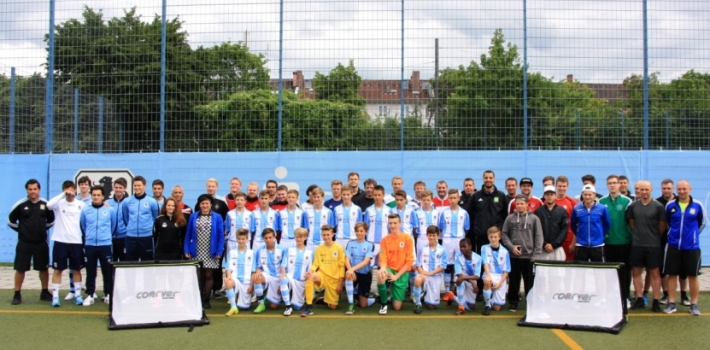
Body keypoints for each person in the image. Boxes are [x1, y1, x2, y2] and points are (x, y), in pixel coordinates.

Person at [8, 179, 55, 305]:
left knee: (43, 268)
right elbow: (10, 221)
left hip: (41, 242)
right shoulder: (20, 204)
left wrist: (41, 229)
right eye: (30, 189)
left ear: (39, 189)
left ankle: (44, 292)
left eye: (35, 189)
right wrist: (22, 230)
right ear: (27, 190)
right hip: (24, 243)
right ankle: (17, 294)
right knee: (20, 269)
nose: (33, 191)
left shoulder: (46, 204)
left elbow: (51, 221)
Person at [663, 180, 705, 316]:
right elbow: (668, 223)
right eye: (679, 189)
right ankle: (671, 303)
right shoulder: (670, 205)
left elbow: (702, 223)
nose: (681, 191)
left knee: (693, 275)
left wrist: (692, 236)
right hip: (673, 245)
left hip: (692, 247)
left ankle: (694, 304)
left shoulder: (698, 205)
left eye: (684, 189)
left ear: (690, 189)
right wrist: (674, 236)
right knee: (672, 274)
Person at [466, 170, 507, 297]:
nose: (488, 180)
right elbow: (470, 214)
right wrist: (475, 231)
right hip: (481, 236)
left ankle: (498, 287)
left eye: (490, 178)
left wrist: (499, 231)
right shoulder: (476, 195)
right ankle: (481, 288)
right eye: (486, 178)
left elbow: (505, 215)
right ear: (483, 179)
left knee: (498, 263)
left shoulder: (501, 195)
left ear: (494, 179)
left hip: (496, 237)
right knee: (482, 263)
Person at [626, 181, 665, 312]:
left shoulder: (658, 206)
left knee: (654, 273)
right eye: (641, 190)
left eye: (646, 190)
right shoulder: (633, 206)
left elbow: (662, 226)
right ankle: (639, 299)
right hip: (637, 244)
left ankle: (655, 301)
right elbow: (631, 223)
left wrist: (652, 236)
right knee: (636, 272)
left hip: (653, 245)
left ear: (651, 190)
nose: (643, 192)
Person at [47, 180, 86, 307]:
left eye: (71, 190)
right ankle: (55, 296)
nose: (70, 192)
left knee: (76, 269)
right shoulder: (59, 203)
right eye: (67, 190)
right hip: (60, 241)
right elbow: (48, 205)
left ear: (75, 190)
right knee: (58, 269)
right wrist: (63, 194)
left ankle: (78, 295)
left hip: (76, 242)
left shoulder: (81, 205)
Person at [501, 195, 543, 312]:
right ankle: (513, 302)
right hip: (514, 255)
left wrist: (536, 254)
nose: (519, 206)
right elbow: (504, 234)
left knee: (529, 281)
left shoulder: (534, 219)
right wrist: (511, 247)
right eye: (517, 204)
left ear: (527, 204)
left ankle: (530, 303)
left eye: (522, 204)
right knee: (514, 281)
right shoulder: (510, 218)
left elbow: (539, 237)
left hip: (529, 256)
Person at [184, 194, 225, 309]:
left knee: (208, 275)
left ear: (211, 204)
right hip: (196, 250)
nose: (205, 205)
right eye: (202, 203)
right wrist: (186, 249)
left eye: (207, 203)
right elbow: (188, 234)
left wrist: (219, 251)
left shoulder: (217, 217)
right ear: (199, 205)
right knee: (197, 275)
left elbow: (220, 236)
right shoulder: (193, 216)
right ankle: (198, 299)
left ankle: (206, 299)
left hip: (210, 251)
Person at [80, 185, 116, 305]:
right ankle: (90, 294)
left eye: (98, 195)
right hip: (90, 245)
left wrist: (105, 237)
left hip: (105, 244)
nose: (96, 197)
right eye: (94, 195)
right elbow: (83, 226)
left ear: (103, 196)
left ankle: (108, 294)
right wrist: (89, 237)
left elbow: (113, 226)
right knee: (90, 271)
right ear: (91, 196)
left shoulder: (110, 210)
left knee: (107, 271)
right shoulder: (86, 210)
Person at [599, 175, 632, 302]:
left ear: (619, 185)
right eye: (610, 183)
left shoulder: (627, 201)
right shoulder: (602, 201)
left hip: (623, 242)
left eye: (614, 183)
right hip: (607, 242)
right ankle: (609, 296)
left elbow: (630, 222)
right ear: (607, 185)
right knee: (608, 271)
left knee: (624, 271)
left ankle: (625, 297)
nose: (612, 185)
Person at [655, 179, 687, 306]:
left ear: (673, 189)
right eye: (664, 188)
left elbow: (699, 224)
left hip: (681, 242)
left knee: (683, 270)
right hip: (663, 241)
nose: (666, 191)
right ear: (661, 189)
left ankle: (684, 296)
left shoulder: (680, 202)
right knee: (664, 269)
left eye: (669, 188)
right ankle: (666, 294)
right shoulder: (657, 203)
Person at [375, 214, 415, 314]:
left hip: (401, 272)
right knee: (380, 274)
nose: (393, 226)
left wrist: (396, 276)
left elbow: (409, 262)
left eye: (395, 223)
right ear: (388, 224)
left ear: (400, 224)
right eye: (391, 223)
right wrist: (383, 268)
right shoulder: (384, 240)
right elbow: (383, 258)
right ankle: (383, 304)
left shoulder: (407, 239)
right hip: (389, 269)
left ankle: (392, 294)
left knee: (397, 307)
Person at [301, 226, 345, 317]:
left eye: (328, 235)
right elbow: (316, 264)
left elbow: (342, 267)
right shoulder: (319, 248)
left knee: (333, 307)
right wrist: (311, 271)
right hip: (322, 275)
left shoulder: (339, 248)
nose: (326, 237)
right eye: (324, 235)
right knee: (310, 277)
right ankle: (309, 306)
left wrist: (341, 283)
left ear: (332, 234)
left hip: (334, 279)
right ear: (321, 235)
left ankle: (325, 299)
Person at [438, 189, 470, 303]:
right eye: (450, 198)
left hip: (459, 240)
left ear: (458, 199)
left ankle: (457, 289)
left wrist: (459, 238)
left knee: (459, 265)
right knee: (447, 265)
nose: (452, 200)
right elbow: (441, 227)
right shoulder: (444, 213)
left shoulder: (464, 213)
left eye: (454, 198)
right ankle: (447, 291)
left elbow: (466, 229)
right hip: (447, 240)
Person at [570, 184, 610, 262]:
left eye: (589, 195)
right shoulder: (577, 208)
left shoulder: (602, 208)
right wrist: (580, 235)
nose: (587, 197)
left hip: (597, 245)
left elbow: (607, 224)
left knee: (598, 271)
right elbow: (573, 224)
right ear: (582, 195)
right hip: (581, 245)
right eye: (585, 194)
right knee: (580, 271)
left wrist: (599, 234)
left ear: (594, 195)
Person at [122, 176, 159, 261]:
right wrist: (132, 228)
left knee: (147, 264)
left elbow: (155, 218)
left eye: (139, 185)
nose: (137, 187)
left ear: (144, 186)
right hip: (131, 238)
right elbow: (125, 218)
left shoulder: (152, 201)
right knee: (130, 265)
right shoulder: (127, 201)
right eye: (135, 185)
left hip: (146, 238)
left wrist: (147, 228)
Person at [412, 225, 447, 314]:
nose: (431, 237)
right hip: (425, 275)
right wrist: (421, 272)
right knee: (417, 279)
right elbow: (418, 264)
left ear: (438, 236)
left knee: (431, 306)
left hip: (436, 276)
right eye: (430, 235)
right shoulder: (422, 248)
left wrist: (430, 273)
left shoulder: (443, 250)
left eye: (434, 235)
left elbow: (443, 266)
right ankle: (418, 303)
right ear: (427, 235)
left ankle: (424, 294)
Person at [251, 228, 287, 314]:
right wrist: (258, 270)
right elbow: (257, 265)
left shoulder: (283, 250)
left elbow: (286, 268)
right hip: (266, 275)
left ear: (274, 237)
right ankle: (261, 303)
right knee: (257, 277)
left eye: (270, 237)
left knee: (273, 307)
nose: (268, 240)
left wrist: (282, 284)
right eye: (266, 238)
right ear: (263, 239)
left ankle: (269, 297)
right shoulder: (260, 250)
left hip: (278, 278)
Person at [344, 222, 376, 314]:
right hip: (355, 273)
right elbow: (346, 260)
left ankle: (371, 299)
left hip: (365, 274)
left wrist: (351, 269)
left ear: (365, 232)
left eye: (361, 231)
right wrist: (350, 270)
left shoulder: (370, 245)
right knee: (349, 275)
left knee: (363, 305)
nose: (359, 233)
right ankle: (351, 304)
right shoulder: (350, 243)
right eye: (357, 231)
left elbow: (366, 261)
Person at [280, 228, 313, 316]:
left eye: (301, 237)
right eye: (297, 237)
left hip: (301, 281)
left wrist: (308, 274)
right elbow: (283, 265)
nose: (298, 239)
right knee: (283, 280)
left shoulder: (309, 253)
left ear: (305, 237)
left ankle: (295, 301)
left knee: (297, 307)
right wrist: (283, 274)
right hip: (290, 277)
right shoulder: (289, 250)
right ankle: (288, 306)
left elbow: (310, 269)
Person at [224, 229, 255, 316]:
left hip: (246, 281)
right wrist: (228, 277)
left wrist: (252, 286)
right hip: (235, 279)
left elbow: (253, 271)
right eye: (239, 239)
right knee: (228, 282)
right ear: (236, 239)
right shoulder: (232, 252)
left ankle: (238, 299)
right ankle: (233, 307)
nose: (241, 241)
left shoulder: (252, 253)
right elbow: (228, 267)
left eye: (243, 239)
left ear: (247, 239)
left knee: (244, 307)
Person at [481, 227, 511, 316]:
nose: (493, 239)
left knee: (497, 308)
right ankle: (487, 305)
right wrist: (488, 275)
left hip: (500, 277)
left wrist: (499, 284)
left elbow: (507, 270)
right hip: (490, 273)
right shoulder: (484, 248)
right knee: (487, 281)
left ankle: (489, 298)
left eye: (495, 237)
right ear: (488, 237)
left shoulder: (505, 252)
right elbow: (485, 263)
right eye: (491, 237)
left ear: (499, 237)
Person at [534, 185, 568, 261]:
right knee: (543, 272)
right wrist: (544, 244)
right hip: (542, 249)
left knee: (559, 272)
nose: (549, 197)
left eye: (551, 194)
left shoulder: (562, 211)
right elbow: (536, 230)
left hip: (557, 248)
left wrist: (554, 245)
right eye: (547, 195)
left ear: (555, 196)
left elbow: (564, 230)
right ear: (544, 197)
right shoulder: (538, 211)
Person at [363, 185, 394, 265]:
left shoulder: (389, 210)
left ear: (383, 195)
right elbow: (366, 226)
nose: (377, 197)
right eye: (375, 195)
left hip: (384, 242)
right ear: (373, 196)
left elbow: (391, 227)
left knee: (383, 264)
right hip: (371, 242)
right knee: (370, 265)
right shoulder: (369, 210)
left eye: (379, 195)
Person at [453, 237, 482, 315]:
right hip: (463, 279)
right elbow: (459, 274)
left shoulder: (478, 258)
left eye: (464, 246)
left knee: (471, 307)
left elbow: (477, 276)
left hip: (470, 279)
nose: (462, 249)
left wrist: (472, 282)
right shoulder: (457, 256)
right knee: (460, 280)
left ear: (470, 246)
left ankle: (452, 296)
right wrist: (472, 282)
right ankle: (461, 306)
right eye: (460, 247)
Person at [301, 187, 336, 252]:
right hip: (310, 243)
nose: (316, 199)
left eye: (318, 197)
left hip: (324, 242)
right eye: (314, 197)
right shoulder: (306, 212)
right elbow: (306, 230)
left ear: (322, 197)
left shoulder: (328, 212)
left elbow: (331, 230)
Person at [554, 175, 578, 261]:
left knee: (569, 265)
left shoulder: (572, 202)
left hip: (568, 239)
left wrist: (573, 242)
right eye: (560, 186)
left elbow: (576, 223)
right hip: (555, 240)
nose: (562, 188)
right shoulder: (550, 201)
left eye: (564, 186)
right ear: (555, 186)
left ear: (568, 187)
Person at [107, 177, 128, 262]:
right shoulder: (107, 203)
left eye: (120, 188)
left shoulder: (128, 202)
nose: (118, 190)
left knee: (125, 264)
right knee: (111, 264)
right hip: (111, 238)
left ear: (125, 188)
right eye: (116, 187)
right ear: (113, 188)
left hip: (124, 238)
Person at [413, 190, 440, 254]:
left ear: (431, 200)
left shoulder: (436, 212)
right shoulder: (417, 212)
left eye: (428, 200)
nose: (426, 202)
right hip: (422, 239)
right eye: (424, 200)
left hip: (434, 238)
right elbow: (415, 228)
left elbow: (438, 226)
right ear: (421, 200)